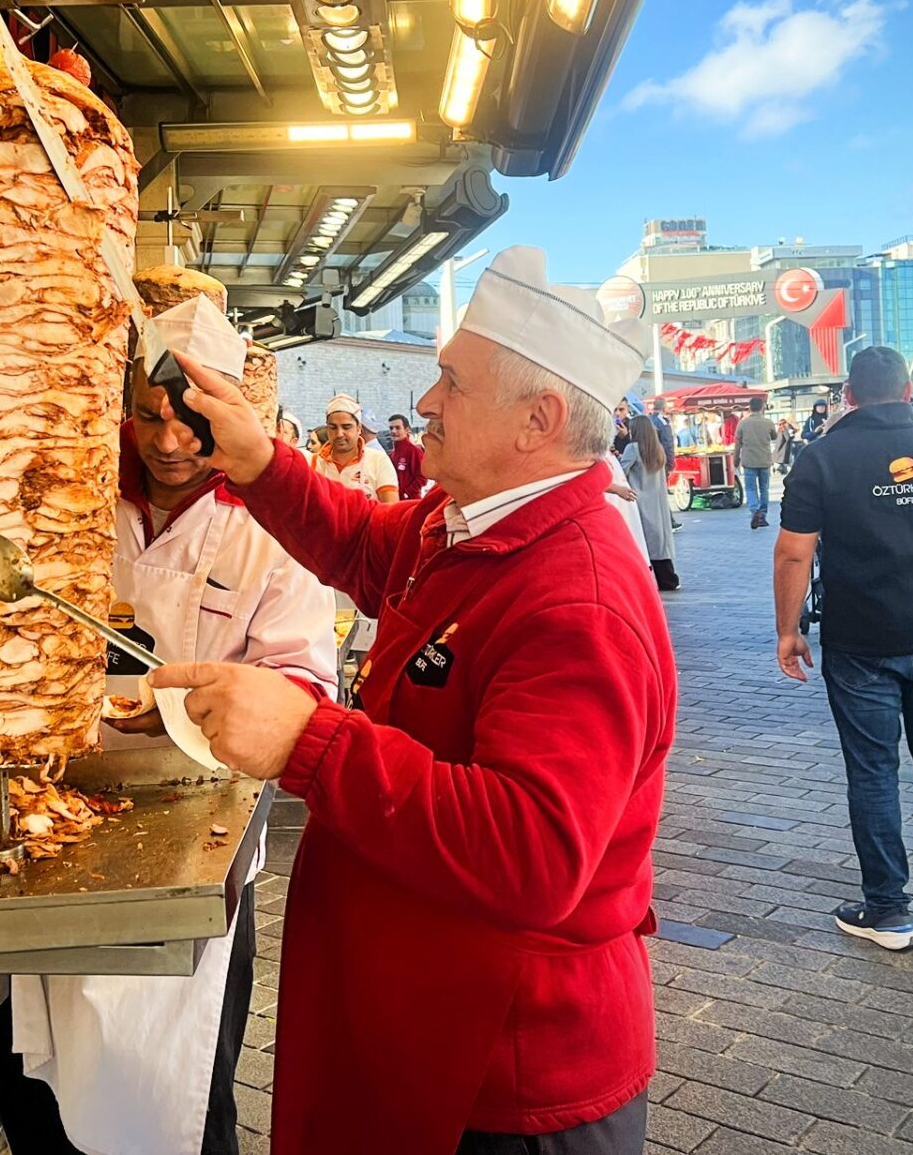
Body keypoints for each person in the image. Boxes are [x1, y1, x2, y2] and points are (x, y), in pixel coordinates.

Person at [151, 246, 674, 1153]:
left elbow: (534, 852)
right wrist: (256, 461)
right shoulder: (465, 521)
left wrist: (307, 740)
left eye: (451, 383)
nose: (426, 402)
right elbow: (361, 544)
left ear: (537, 421)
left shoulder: (575, 599)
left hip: (502, 1076)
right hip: (423, 1025)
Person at [0, 307, 336, 1155]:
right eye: (149, 415)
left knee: (177, 1095)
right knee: (39, 1091)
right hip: (58, 821)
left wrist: (182, 710)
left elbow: (302, 684)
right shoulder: (71, 492)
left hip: (201, 834)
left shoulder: (273, 523)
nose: (170, 440)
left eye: (192, 419)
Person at [774, 346, 913, 951]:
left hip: (862, 640)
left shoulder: (822, 459)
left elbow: (794, 551)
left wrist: (788, 630)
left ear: (848, 393)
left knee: (873, 772)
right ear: (911, 392)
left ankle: (888, 911)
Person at [620, 413, 679, 591]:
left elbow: (621, 471)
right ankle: (668, 578)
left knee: (642, 541)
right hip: (658, 501)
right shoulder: (657, 448)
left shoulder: (633, 449)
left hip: (638, 499)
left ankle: (647, 579)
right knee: (659, 541)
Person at [314, 395, 399, 502]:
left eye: (346, 427)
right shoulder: (314, 463)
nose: (339, 434)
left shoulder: (378, 460)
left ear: (359, 428)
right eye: (333, 427)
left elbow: (391, 508)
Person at [733, 395, 777, 530]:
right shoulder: (768, 422)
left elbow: (737, 443)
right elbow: (774, 436)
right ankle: (763, 514)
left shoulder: (742, 423)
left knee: (751, 488)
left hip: (749, 460)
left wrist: (736, 460)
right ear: (762, 407)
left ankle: (754, 509)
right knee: (764, 488)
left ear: (750, 408)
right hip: (764, 460)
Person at [386, 415, 428, 500]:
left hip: (411, 502)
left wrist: (406, 493)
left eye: (398, 428)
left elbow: (423, 477)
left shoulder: (414, 451)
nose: (393, 431)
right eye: (391, 428)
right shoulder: (391, 454)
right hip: (396, 501)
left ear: (407, 429)